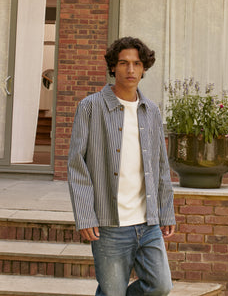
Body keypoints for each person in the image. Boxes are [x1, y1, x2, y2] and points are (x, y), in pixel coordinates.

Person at [68, 36, 176, 296]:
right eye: (124, 63)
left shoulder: (151, 110)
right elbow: (76, 167)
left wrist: (166, 211)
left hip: (148, 222)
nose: (130, 70)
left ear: (144, 69)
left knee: (160, 286)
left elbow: (161, 165)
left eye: (137, 64)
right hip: (109, 225)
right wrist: (85, 215)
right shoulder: (90, 107)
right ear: (113, 67)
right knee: (112, 291)